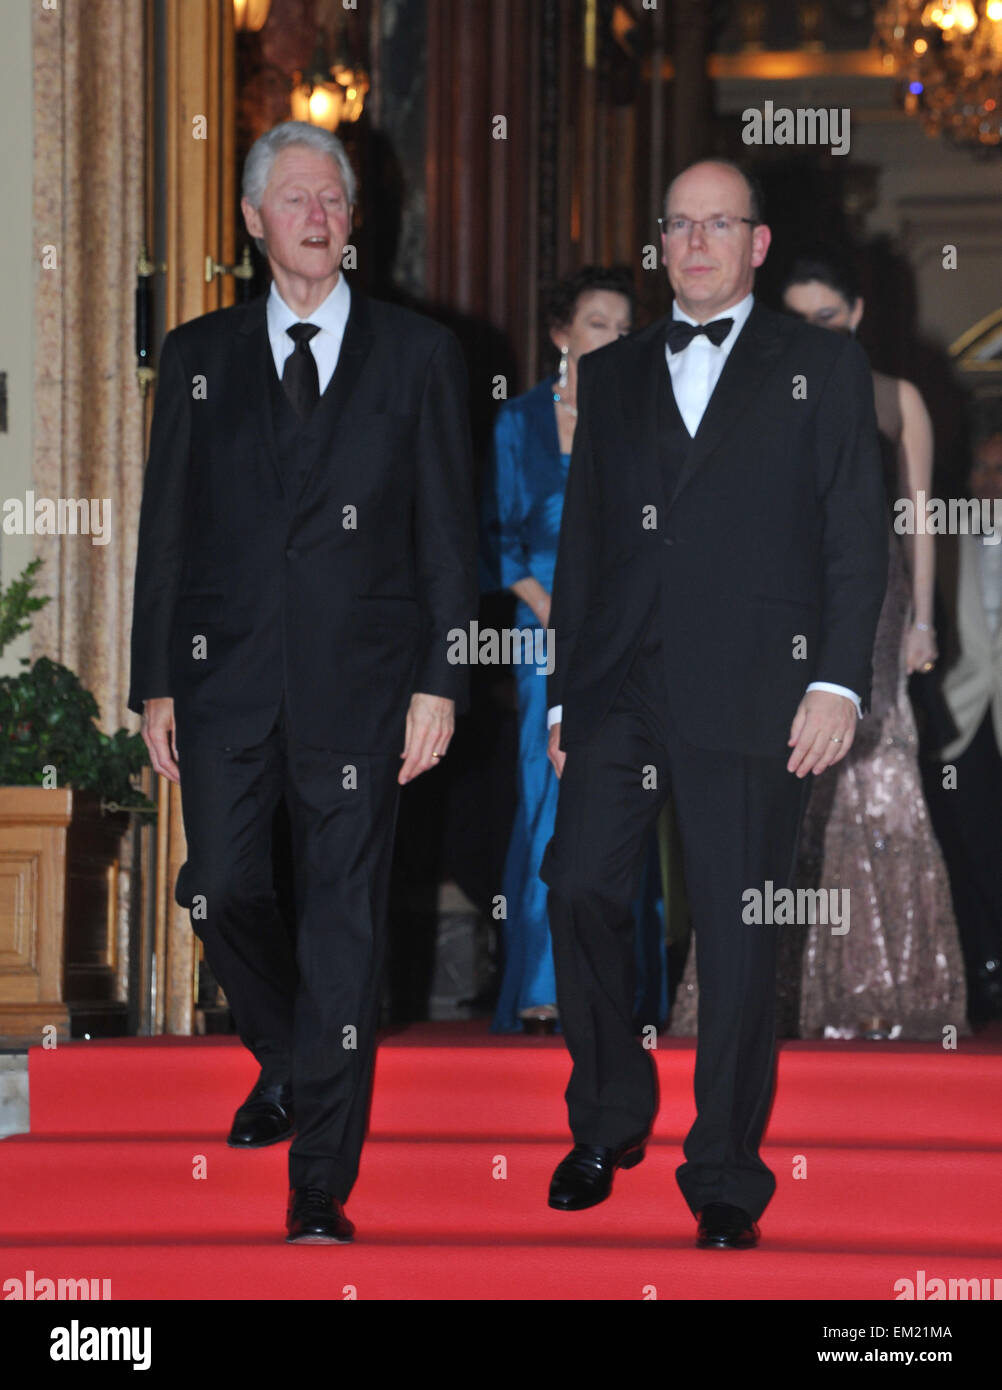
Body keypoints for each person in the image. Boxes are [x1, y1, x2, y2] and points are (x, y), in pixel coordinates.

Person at [128, 121, 476, 1244]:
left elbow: (446, 540)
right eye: (294, 200)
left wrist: (442, 681)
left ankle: (318, 1180)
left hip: (367, 693)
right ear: (252, 221)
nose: (318, 216)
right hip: (222, 683)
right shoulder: (196, 355)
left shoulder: (419, 356)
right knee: (220, 889)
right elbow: (166, 533)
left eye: (333, 198)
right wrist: (153, 682)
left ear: (353, 216)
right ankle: (284, 1052)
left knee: (345, 929)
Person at [540, 159, 888, 1249]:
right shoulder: (616, 372)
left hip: (757, 687)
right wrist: (563, 697)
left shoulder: (822, 365)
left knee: (737, 936)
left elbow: (853, 533)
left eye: (718, 225)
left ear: (757, 243)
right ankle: (607, 1111)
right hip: (619, 684)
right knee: (580, 887)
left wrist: (836, 678)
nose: (695, 244)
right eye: (679, 225)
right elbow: (584, 544)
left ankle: (727, 1169)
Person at [671, 248, 968, 1041]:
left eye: (827, 318)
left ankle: (881, 987)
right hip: (780, 611)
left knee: (881, 775)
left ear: (858, 315)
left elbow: (918, 513)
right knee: (780, 786)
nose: (813, 333)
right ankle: (772, 991)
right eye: (798, 319)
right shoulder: (762, 385)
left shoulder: (896, 397)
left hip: (874, 608)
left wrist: (924, 623)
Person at [481, 267, 666, 1035]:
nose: (613, 339)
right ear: (563, 333)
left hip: (625, 639)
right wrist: (544, 602)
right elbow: (490, 534)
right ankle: (543, 982)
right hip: (542, 633)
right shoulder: (517, 424)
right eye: (598, 324)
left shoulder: (643, 418)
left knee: (623, 799)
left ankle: (621, 990)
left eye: (625, 328)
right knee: (548, 792)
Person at [922, 433, 1002, 1025]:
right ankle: (982, 972)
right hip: (961, 720)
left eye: (1001, 470)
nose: (989, 482)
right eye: (980, 467)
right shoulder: (939, 541)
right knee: (968, 851)